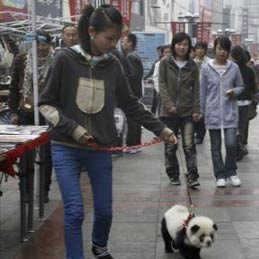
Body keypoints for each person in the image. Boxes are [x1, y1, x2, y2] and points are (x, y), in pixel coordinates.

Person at [38, 5, 177, 259]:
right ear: (91, 31)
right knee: (75, 211)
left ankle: (100, 246)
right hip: (65, 147)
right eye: (109, 38)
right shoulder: (64, 59)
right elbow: (46, 104)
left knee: (104, 211)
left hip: (100, 149)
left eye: (117, 39)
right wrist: (74, 129)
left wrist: (161, 128)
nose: (114, 44)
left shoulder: (113, 64)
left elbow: (131, 103)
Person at [9, 29, 54, 203]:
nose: (41, 48)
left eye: (44, 44)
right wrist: (13, 112)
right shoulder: (22, 60)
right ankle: (25, 190)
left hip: (48, 113)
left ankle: (44, 191)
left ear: (49, 44)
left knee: (46, 155)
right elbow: (14, 87)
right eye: (38, 44)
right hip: (26, 112)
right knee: (26, 153)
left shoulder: (56, 62)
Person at [199, 36, 244, 188]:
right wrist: (201, 111)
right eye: (219, 48)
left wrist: (235, 92)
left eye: (225, 49)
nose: (222, 52)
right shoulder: (207, 68)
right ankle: (220, 174)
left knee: (231, 144)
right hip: (213, 112)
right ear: (214, 49)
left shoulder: (234, 68)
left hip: (229, 111)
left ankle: (231, 172)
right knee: (215, 146)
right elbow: (202, 91)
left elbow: (241, 86)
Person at [158, 32, 200, 187]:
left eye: (185, 44)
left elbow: (196, 89)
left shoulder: (192, 65)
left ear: (189, 47)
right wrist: (168, 104)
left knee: (189, 145)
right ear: (173, 45)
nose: (182, 47)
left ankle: (192, 176)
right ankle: (173, 174)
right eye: (179, 44)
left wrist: (196, 109)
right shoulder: (165, 63)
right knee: (170, 145)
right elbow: (161, 85)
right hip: (168, 112)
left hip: (187, 111)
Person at [230, 46, 256, 161]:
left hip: (233, 101)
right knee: (241, 126)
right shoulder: (249, 70)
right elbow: (253, 88)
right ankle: (241, 146)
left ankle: (238, 148)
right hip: (245, 102)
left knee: (232, 127)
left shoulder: (231, 69)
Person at [121, 33, 144, 154]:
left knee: (132, 119)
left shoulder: (130, 57)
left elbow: (132, 76)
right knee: (135, 119)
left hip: (132, 93)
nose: (122, 43)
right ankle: (136, 144)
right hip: (136, 92)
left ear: (130, 43)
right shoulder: (135, 56)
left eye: (124, 41)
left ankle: (132, 145)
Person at [193, 41, 210, 144]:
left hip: (205, 91)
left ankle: (200, 135)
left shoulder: (209, 62)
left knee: (202, 113)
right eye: (198, 48)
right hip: (193, 91)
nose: (200, 50)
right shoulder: (191, 62)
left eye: (202, 48)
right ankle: (195, 132)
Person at [151, 45, 171, 115]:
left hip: (174, 94)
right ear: (162, 53)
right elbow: (156, 79)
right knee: (161, 113)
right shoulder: (158, 64)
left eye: (169, 52)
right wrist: (160, 91)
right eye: (166, 52)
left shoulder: (176, 64)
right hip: (162, 94)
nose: (168, 54)